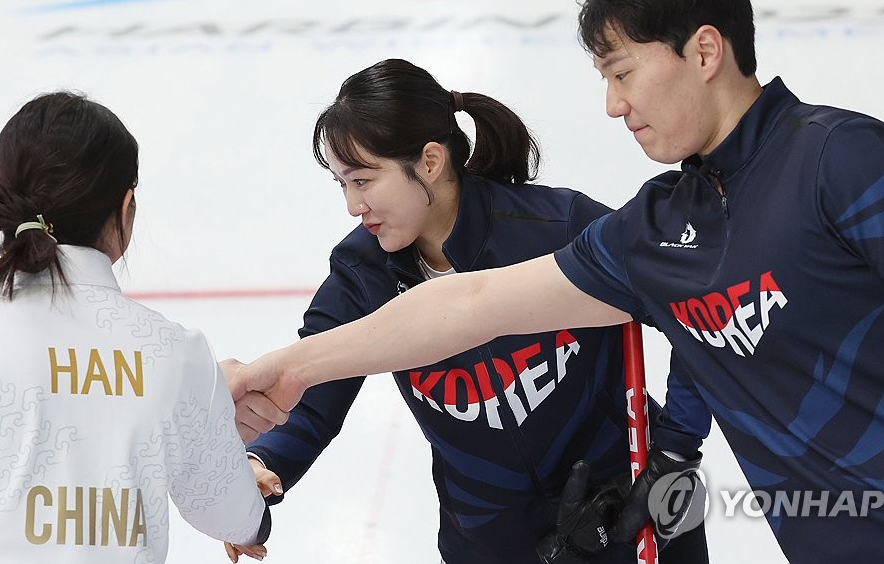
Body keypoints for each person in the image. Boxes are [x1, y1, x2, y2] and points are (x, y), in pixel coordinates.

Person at [231, 0, 884, 564]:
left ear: (703, 50)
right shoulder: (653, 232)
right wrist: (286, 369)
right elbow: (464, 304)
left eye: (623, 72)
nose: (613, 105)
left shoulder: (849, 157)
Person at [226, 59, 711, 564]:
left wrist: (673, 449)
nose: (353, 204)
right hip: (490, 541)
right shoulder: (362, 273)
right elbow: (308, 386)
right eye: (342, 184)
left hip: (629, 512)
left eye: (365, 181)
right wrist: (261, 461)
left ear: (430, 161)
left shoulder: (556, 226)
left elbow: (695, 314)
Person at [0, 91, 270, 563]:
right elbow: (228, 512)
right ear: (126, 209)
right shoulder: (178, 354)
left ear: (1, 207)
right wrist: (253, 511)